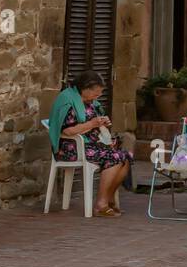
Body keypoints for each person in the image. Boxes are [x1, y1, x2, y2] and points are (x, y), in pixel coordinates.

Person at [48, 71, 132, 217]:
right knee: (115, 158)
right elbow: (67, 131)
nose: (97, 97)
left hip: (90, 144)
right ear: (85, 88)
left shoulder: (89, 102)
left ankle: (108, 198)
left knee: (125, 157)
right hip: (70, 147)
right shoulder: (67, 100)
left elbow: (92, 123)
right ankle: (101, 205)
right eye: (95, 93)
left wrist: (101, 123)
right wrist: (92, 124)